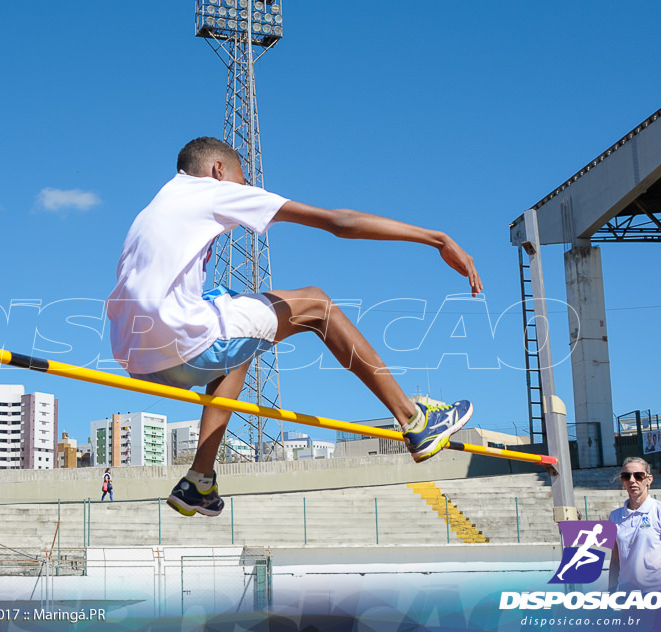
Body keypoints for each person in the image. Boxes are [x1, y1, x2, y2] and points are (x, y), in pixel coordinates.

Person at [108, 137, 481, 517]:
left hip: (137, 360)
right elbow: (340, 223)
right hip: (184, 342)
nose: (245, 190)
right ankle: (414, 420)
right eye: (242, 180)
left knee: (242, 323)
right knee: (317, 304)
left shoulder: (157, 205)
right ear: (219, 170)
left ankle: (200, 480)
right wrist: (438, 239)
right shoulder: (211, 191)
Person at [608, 457, 661, 596]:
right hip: (626, 594)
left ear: (649, 479)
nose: (632, 480)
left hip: (657, 591)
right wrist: (610, 594)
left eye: (638, 475)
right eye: (626, 476)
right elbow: (615, 560)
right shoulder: (614, 517)